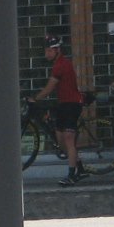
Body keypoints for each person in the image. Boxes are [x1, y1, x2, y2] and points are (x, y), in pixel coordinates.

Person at [32, 36, 86, 187]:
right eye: (46, 51)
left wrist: (35, 99)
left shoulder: (62, 65)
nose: (47, 54)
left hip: (73, 104)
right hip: (63, 104)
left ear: (58, 50)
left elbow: (49, 88)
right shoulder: (57, 64)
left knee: (68, 139)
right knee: (60, 140)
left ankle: (72, 175)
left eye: (49, 51)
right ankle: (81, 169)